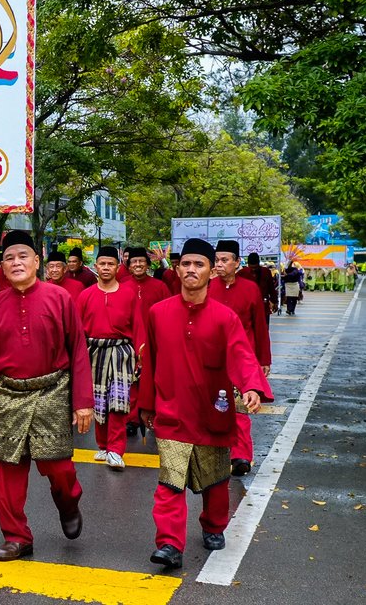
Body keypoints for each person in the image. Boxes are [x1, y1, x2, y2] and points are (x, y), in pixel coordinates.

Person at [140, 238, 273, 569]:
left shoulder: (225, 318)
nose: (191, 270)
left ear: (212, 271)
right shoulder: (158, 313)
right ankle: (170, 544)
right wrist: (145, 406)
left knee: (216, 478)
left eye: (199, 264)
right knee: (170, 481)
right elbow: (150, 363)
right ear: (177, 268)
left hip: (215, 410)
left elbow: (242, 354)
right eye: (185, 264)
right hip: (172, 412)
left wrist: (251, 386)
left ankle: (214, 526)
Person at [0, 231, 92, 561]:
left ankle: (69, 502)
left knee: (59, 468)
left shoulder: (59, 298)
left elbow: (78, 351)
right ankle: (16, 536)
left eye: (23, 256)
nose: (16, 263)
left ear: (36, 261)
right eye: (9, 258)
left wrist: (83, 402)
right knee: (8, 467)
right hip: (10, 393)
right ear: (2, 265)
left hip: (52, 389)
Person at [75, 246, 144, 471]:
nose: (106, 268)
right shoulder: (85, 296)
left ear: (117, 267)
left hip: (122, 352)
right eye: (102, 264)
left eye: (110, 264)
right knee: (99, 402)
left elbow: (139, 327)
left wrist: (139, 359)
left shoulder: (129, 294)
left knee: (119, 402)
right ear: (96, 266)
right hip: (93, 351)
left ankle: (116, 450)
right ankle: (103, 445)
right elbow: (77, 332)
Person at [209, 240, 272, 478]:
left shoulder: (250, 289)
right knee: (213, 408)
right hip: (213, 358)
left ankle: (241, 456)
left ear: (237, 262)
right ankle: (215, 451)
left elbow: (260, 326)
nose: (220, 265)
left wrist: (263, 360)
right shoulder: (208, 288)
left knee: (240, 411)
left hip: (242, 360)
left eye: (225, 260)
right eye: (217, 260)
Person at [123, 246, 170, 436]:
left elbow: (168, 313)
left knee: (156, 380)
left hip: (154, 340)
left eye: (141, 261)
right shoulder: (123, 285)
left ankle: (158, 416)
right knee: (131, 382)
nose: (138, 264)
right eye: (134, 262)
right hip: (129, 341)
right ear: (129, 265)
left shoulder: (160, 287)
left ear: (148, 265)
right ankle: (132, 419)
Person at [238, 253, 279, 326]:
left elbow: (271, 288)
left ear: (259, 264)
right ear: (248, 265)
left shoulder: (266, 272)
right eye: (251, 267)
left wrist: (275, 302)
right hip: (248, 308)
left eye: (255, 267)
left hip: (263, 306)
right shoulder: (242, 273)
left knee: (264, 329)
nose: (253, 269)